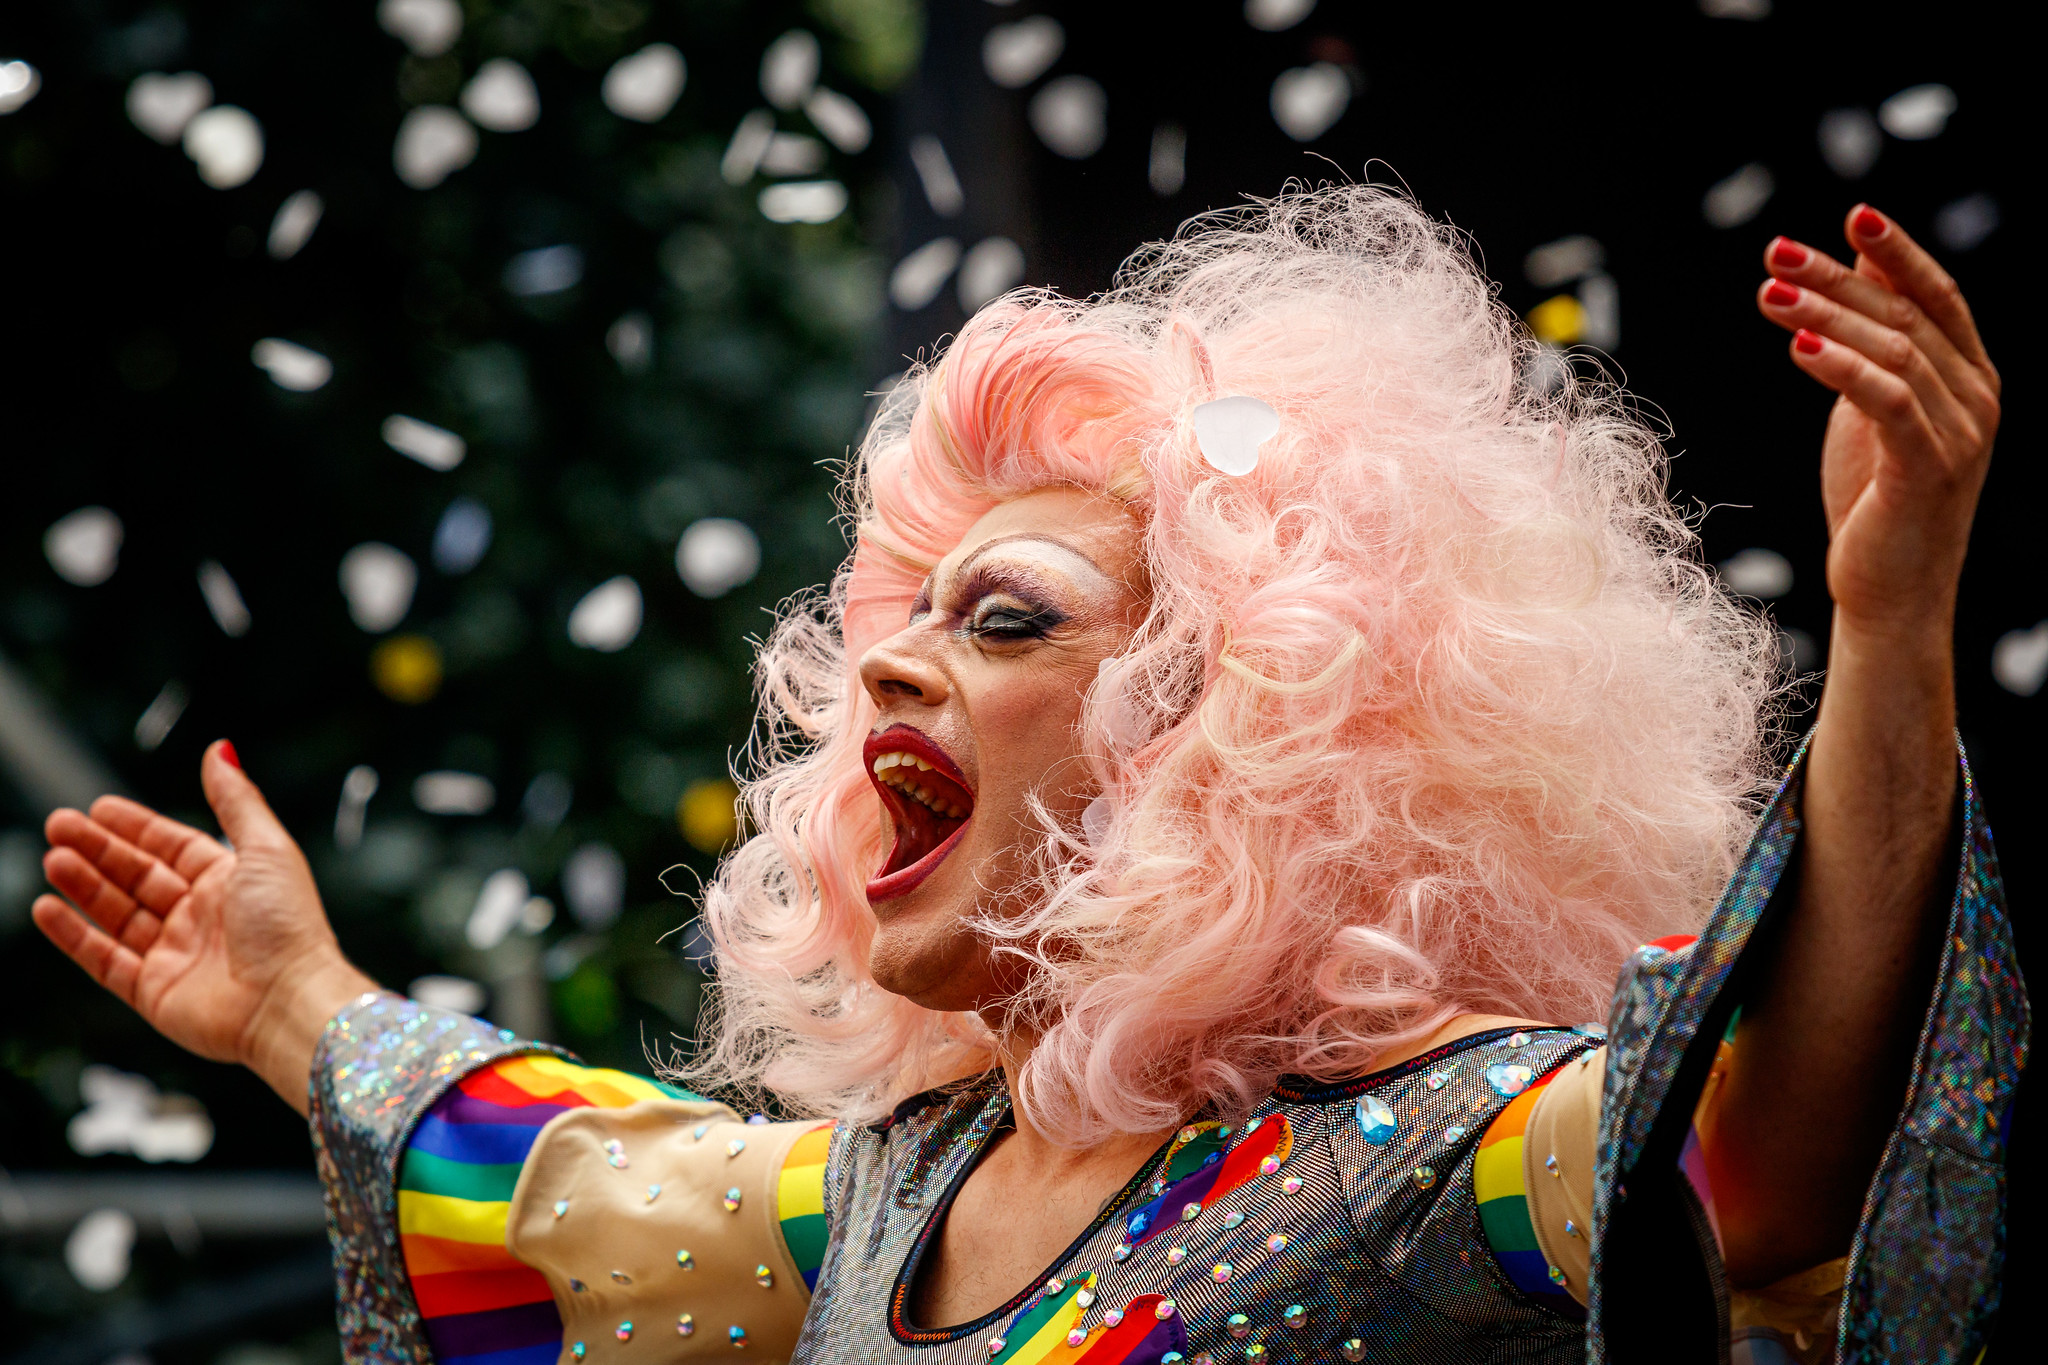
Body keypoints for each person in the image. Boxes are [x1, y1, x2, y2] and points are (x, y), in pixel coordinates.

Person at [33, 188, 2019, 1365]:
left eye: (1003, 619)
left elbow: (1762, 1163)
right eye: (898, 619)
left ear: (1234, 725)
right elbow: (576, 1182)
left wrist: (1894, 611)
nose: (887, 664)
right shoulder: (895, 1189)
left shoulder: (1421, 1156)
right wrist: (297, 1005)